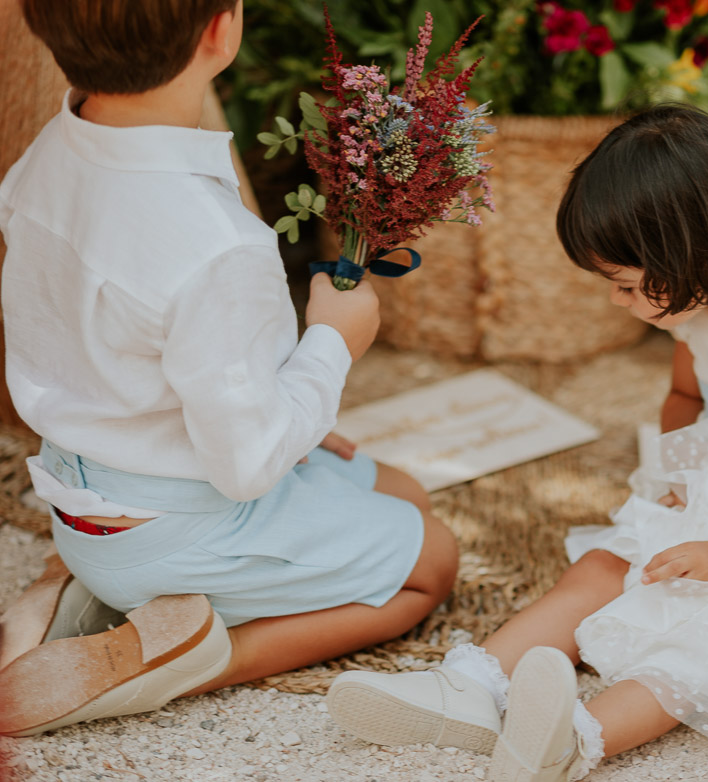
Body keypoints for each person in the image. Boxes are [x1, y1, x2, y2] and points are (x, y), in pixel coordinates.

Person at [324, 103, 708, 781]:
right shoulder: (704, 299)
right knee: (603, 571)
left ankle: (575, 740)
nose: (617, 302)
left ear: (686, 257)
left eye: (625, 285)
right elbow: (686, 399)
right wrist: (679, 481)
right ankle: (469, 688)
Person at [0, 0, 457, 737]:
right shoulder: (216, 246)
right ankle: (195, 656)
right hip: (185, 519)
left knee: (405, 494)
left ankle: (81, 584)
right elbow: (244, 467)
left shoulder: (45, 157)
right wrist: (334, 342)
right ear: (223, 29)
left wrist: (291, 416)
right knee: (432, 558)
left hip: (91, 494)